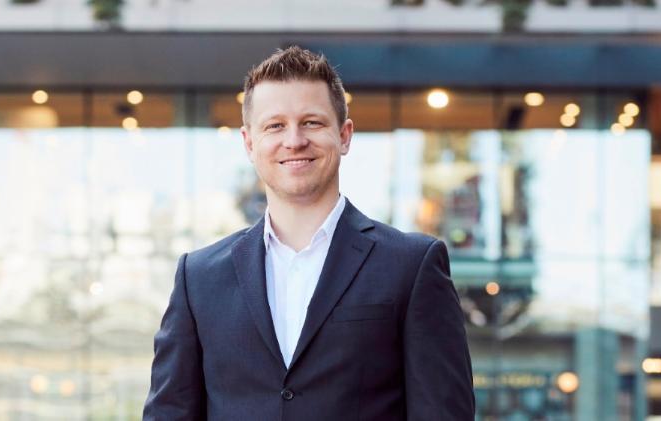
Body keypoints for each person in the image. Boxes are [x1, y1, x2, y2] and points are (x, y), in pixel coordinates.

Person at [143, 46, 475, 420]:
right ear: (249, 143)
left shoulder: (411, 267)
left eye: (312, 122)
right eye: (275, 126)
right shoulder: (199, 278)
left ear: (344, 135)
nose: (294, 140)